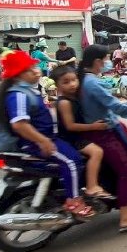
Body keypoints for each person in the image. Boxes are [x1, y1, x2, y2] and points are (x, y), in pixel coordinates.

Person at [0, 50, 94, 221]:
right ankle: (74, 202)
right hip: (37, 143)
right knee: (72, 162)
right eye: (31, 69)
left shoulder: (27, 90)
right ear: (18, 75)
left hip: (46, 139)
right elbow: (19, 124)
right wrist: (43, 141)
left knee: (75, 156)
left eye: (35, 67)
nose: (37, 71)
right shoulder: (18, 95)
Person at [78, 45, 127, 232]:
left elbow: (108, 102)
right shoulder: (91, 83)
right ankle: (126, 218)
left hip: (94, 130)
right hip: (103, 132)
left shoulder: (83, 79)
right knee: (126, 170)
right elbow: (114, 106)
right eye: (105, 59)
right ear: (97, 61)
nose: (107, 63)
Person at [51, 65, 112, 201]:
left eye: (74, 80)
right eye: (66, 82)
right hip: (71, 138)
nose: (72, 84)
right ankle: (92, 186)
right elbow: (70, 126)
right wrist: (94, 126)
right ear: (57, 86)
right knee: (97, 152)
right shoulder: (65, 103)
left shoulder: (74, 97)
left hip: (77, 135)